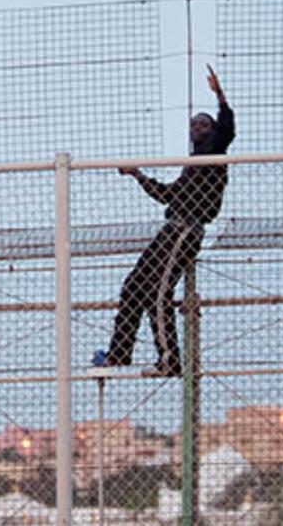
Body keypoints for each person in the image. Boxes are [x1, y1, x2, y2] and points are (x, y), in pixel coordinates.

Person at [97, 66, 235, 377]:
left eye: (204, 124)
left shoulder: (214, 154)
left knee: (157, 293)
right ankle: (119, 353)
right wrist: (138, 175)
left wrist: (219, 95)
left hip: (187, 229)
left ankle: (170, 360)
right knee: (133, 286)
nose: (198, 128)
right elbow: (165, 194)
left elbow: (227, 130)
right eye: (193, 125)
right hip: (171, 227)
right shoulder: (191, 168)